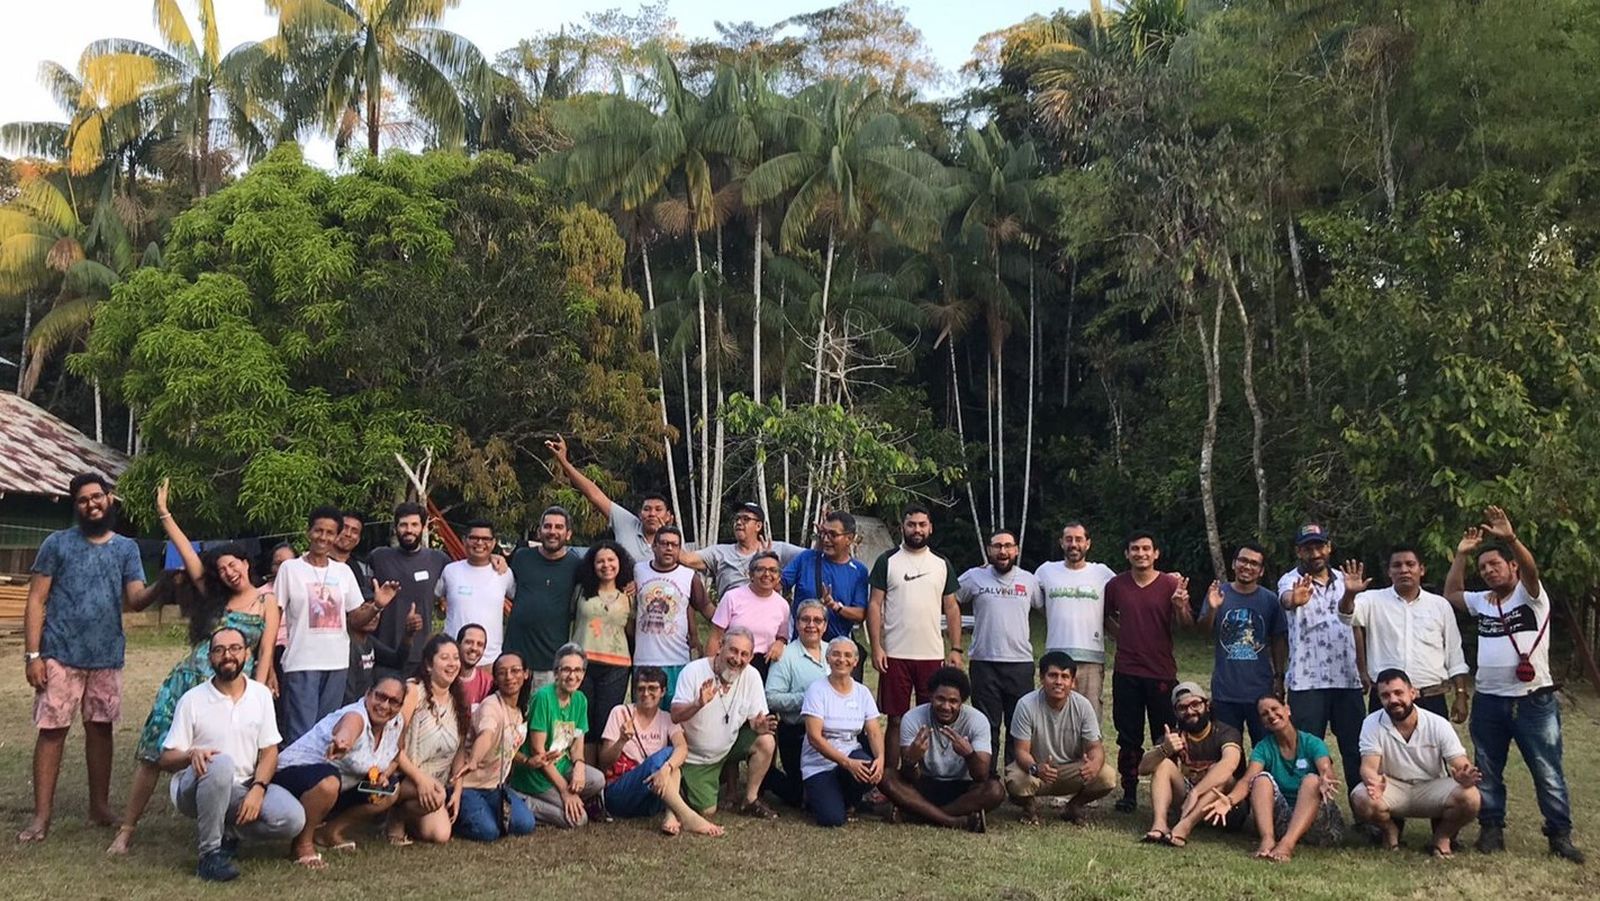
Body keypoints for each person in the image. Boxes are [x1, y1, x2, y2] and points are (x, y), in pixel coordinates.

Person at [109, 479, 281, 855]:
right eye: (222, 568)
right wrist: (164, 514)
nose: (229, 572)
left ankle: (226, 832)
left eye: (233, 564)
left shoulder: (267, 602)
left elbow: (266, 650)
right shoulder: (213, 596)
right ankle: (126, 830)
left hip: (234, 688)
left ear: (246, 563)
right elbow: (188, 553)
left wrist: (260, 688)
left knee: (229, 758)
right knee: (153, 753)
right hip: (188, 681)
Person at [1444, 507, 1583, 862]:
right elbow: (1453, 593)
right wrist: (1461, 555)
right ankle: (1491, 829)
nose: (1489, 571)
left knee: (1547, 770)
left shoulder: (1531, 595)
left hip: (1533, 700)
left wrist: (1511, 539)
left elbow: (1532, 570)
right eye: (1483, 568)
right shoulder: (1483, 601)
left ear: (1513, 567)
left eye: (1495, 564)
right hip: (1489, 700)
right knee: (1488, 769)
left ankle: (1559, 835)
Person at [21, 471, 152, 844]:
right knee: (52, 731)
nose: (91, 504)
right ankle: (41, 817)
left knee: (100, 730)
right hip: (59, 654)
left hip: (107, 656)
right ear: (75, 506)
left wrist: (165, 585)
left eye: (97, 496)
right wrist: (33, 655)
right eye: (83, 500)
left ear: (109, 498)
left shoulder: (126, 549)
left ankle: (99, 807)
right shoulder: (57, 544)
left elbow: (136, 599)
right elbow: (36, 600)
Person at [158, 627, 305, 881]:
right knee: (220, 763)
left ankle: (229, 833)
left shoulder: (260, 695)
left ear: (247, 653)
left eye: (235, 648)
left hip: (243, 786)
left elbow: (269, 751)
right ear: (210, 658)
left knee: (293, 819)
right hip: (196, 787)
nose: (227, 655)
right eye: (219, 650)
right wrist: (191, 755)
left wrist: (258, 789)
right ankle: (209, 856)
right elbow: (165, 758)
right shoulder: (192, 700)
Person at [274, 505, 399, 746]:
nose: (323, 537)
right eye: (318, 530)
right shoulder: (290, 569)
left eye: (330, 532)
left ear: (336, 536)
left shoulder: (343, 572)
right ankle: (296, 771)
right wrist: (268, 663)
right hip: (301, 662)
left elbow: (355, 619)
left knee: (327, 733)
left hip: (337, 663)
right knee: (301, 735)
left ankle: (322, 771)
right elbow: (274, 615)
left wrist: (377, 605)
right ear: (308, 532)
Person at [273, 675, 407, 869]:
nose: (385, 706)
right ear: (368, 694)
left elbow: (396, 754)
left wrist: (384, 775)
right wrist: (343, 743)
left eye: (394, 701)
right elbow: (347, 730)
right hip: (290, 777)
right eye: (380, 697)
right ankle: (302, 845)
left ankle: (329, 832)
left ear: (400, 706)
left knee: (389, 790)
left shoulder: (397, 723)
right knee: (329, 782)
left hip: (340, 785)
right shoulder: (355, 716)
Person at [868, 504, 963, 771]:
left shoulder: (941, 564)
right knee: (896, 719)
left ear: (930, 528)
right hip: (895, 654)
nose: (917, 529)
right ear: (903, 528)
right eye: (911, 524)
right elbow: (874, 604)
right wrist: (876, 647)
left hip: (931, 655)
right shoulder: (887, 561)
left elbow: (952, 607)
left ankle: (925, 776)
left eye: (922, 524)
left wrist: (956, 648)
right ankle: (890, 776)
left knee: (929, 719)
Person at [1104, 529, 1192, 812]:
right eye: (1135, 549)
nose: (1140, 553)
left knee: (1165, 734)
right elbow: (1106, 616)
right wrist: (1123, 635)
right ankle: (1129, 791)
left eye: (1146, 549)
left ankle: (1168, 791)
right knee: (1128, 736)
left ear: (1156, 553)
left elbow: (1187, 625)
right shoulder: (1116, 585)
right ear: (1127, 554)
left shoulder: (1170, 584)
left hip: (1161, 672)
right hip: (1127, 671)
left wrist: (1180, 607)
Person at [1350, 669, 1481, 856]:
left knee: (1471, 797)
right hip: (1393, 786)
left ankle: (1442, 838)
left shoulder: (1438, 723)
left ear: (1413, 693)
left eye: (1398, 693)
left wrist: (1464, 775)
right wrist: (1374, 782)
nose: (1393, 700)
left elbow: (1460, 763)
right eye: (1385, 696)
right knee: (1361, 798)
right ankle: (1390, 831)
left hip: (1431, 786)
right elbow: (1368, 768)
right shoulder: (1372, 723)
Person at [1276, 522, 1364, 798]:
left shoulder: (1346, 580)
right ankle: (1306, 810)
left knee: (1355, 748)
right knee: (1306, 750)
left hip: (1346, 679)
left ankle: (1363, 810)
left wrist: (1362, 670)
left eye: (1319, 546)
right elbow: (1286, 599)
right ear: (1298, 551)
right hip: (1307, 681)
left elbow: (1356, 627)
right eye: (1308, 548)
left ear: (1329, 547)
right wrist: (1295, 599)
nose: (1315, 553)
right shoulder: (1289, 580)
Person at [1202, 695, 1344, 862]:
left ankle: (1287, 845)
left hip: (1318, 823)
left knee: (1312, 780)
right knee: (1260, 779)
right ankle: (1267, 840)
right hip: (1281, 821)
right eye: (1264, 714)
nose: (1271, 715)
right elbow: (1247, 780)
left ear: (1287, 710)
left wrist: (1325, 780)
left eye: (1275, 709)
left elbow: (1326, 771)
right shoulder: (1263, 748)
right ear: (1263, 722)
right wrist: (1229, 800)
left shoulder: (1312, 742)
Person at [1339, 547, 1469, 721]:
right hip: (1387, 699)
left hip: (1431, 697)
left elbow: (1454, 654)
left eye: (1410, 564)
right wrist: (1349, 594)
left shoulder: (1440, 605)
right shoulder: (1372, 600)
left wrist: (1461, 694)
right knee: (1383, 740)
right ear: (1389, 572)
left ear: (1421, 570)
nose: (1404, 570)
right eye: (1397, 565)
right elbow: (1346, 615)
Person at [598, 666, 725, 837]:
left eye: (652, 688)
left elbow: (682, 748)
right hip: (620, 795)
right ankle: (687, 816)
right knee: (668, 754)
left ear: (663, 691)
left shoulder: (667, 718)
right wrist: (621, 740)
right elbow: (604, 761)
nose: (646, 693)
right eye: (641, 688)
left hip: (651, 795)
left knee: (673, 764)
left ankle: (670, 814)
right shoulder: (620, 713)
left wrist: (666, 769)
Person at [956, 529, 1042, 774]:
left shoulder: (1029, 580)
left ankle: (1015, 778)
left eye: (1007, 546)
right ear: (989, 550)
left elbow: (1044, 607)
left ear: (1016, 550)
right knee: (987, 725)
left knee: (1018, 726)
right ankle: (987, 777)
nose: (1002, 551)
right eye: (997, 546)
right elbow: (950, 599)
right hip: (984, 662)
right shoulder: (974, 577)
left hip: (1020, 663)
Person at [671, 627, 779, 819]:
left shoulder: (752, 676)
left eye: (744, 654)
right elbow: (675, 715)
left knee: (766, 741)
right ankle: (682, 781)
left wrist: (758, 726)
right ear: (720, 646)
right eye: (733, 651)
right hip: (696, 757)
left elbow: (755, 719)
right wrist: (697, 704)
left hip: (727, 748)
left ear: (751, 657)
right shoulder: (694, 671)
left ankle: (750, 800)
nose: (737, 659)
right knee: (707, 811)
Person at [879, 666, 1004, 832]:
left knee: (995, 790)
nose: (946, 706)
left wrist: (969, 754)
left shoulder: (977, 720)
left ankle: (916, 815)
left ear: (962, 702)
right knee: (886, 777)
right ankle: (952, 821)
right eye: (940, 699)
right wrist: (912, 760)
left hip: (963, 787)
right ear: (930, 696)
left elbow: (981, 775)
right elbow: (910, 777)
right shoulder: (913, 717)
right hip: (924, 784)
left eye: (953, 701)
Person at [1005, 651, 1117, 823]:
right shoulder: (1026, 705)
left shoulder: (1083, 706)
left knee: (1106, 776)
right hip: (1037, 770)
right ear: (1041, 678)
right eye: (1053, 675)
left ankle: (1074, 806)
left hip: (1072, 770)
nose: (1059, 682)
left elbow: (1095, 747)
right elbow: (1021, 751)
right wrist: (1036, 768)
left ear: (1073, 682)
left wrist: (1095, 763)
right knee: (1016, 780)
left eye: (1065, 677)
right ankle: (1029, 806)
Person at [1196, 543, 1286, 743]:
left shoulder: (1270, 600)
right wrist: (1212, 609)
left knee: (1265, 748)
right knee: (1227, 747)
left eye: (1254, 563)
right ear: (1233, 564)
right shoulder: (1218, 593)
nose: (1247, 566)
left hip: (1261, 692)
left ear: (1261, 571)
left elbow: (1278, 639)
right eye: (1243, 561)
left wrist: (1279, 677)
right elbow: (1202, 631)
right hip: (1225, 691)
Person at [1137, 682, 1244, 847]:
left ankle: (1185, 827)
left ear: (1207, 705)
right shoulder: (1173, 735)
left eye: (1195, 704)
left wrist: (1196, 792)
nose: (1190, 711)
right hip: (1186, 804)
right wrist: (1164, 750)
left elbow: (1230, 764)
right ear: (1175, 712)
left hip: (1224, 808)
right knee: (1163, 764)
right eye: (1182, 708)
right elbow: (1143, 769)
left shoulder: (1226, 732)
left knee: (1222, 775)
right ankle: (1160, 824)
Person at [510, 644, 606, 827]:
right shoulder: (543, 698)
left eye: (578, 670)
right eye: (566, 670)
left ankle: (565, 800)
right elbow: (538, 751)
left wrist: (579, 766)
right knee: (578, 820)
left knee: (597, 779)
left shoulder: (580, 700)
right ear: (556, 673)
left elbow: (577, 745)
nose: (572, 676)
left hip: (562, 766)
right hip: (537, 774)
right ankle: (521, 800)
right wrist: (564, 790)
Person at [547, 433, 676, 562]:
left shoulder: (675, 543)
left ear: (669, 517)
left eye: (658, 509)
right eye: (647, 509)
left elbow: (684, 565)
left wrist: (666, 536)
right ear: (640, 514)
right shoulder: (627, 524)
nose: (652, 514)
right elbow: (594, 495)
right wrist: (564, 462)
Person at [390, 635, 470, 844]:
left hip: (437, 783)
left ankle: (405, 813)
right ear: (428, 665)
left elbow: (460, 751)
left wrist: (458, 790)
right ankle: (394, 816)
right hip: (404, 774)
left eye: (456, 658)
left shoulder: (459, 700)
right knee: (436, 795)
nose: (452, 663)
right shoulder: (413, 691)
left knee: (440, 835)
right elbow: (393, 743)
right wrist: (420, 779)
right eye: (444, 658)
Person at [1034, 522, 1117, 718]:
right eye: (1069, 539)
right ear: (1061, 543)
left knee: (1089, 716)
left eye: (1079, 539)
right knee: (1054, 716)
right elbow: (1027, 591)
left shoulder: (1102, 573)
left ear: (1088, 543)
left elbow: (1129, 586)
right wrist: (988, 570)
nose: (1073, 544)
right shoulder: (1045, 571)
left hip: (1091, 660)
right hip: (1056, 657)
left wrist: (1165, 578)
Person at [800, 637, 885, 827]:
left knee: (869, 768)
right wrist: (848, 763)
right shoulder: (817, 690)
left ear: (855, 661)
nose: (842, 660)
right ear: (827, 659)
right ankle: (816, 795)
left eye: (848, 655)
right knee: (831, 819)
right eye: (836, 654)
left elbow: (874, 731)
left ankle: (849, 800)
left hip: (850, 753)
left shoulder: (862, 692)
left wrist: (880, 759)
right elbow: (814, 738)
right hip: (819, 763)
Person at [454, 652, 536, 841]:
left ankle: (486, 814)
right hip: (469, 785)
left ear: (526, 674)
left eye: (515, 671)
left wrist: (528, 761)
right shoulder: (491, 706)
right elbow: (487, 734)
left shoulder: (521, 709)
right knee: (487, 832)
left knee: (525, 824)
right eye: (502, 672)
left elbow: (506, 747)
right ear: (495, 679)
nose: (509, 677)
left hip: (495, 787)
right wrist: (474, 760)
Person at [572, 540, 636, 764]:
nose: (606, 565)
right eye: (600, 561)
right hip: (582, 665)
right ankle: (585, 773)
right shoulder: (580, 591)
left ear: (620, 563)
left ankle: (603, 776)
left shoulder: (629, 595)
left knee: (606, 724)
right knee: (584, 724)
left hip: (616, 666)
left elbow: (631, 631)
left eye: (611, 560)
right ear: (592, 565)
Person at [368, 503, 450, 675]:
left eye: (414, 524)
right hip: (383, 652)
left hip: (421, 653)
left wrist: (495, 558)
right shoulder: (378, 557)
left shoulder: (438, 560)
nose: (409, 530)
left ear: (423, 527)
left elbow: (465, 571)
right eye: (403, 525)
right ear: (396, 527)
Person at [507, 507, 585, 686]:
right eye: (548, 526)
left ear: (568, 534)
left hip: (550, 662)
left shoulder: (576, 566)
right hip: (514, 657)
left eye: (559, 527)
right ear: (539, 531)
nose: (552, 531)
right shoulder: (521, 557)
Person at [764, 600, 831, 807]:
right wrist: (810, 699)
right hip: (797, 733)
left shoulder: (834, 652)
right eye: (805, 620)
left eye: (817, 620)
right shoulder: (785, 656)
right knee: (800, 798)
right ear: (797, 623)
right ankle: (766, 776)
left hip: (832, 731)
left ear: (825, 625)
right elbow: (771, 697)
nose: (811, 625)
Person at [635, 526, 711, 699]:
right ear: (654, 546)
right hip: (644, 660)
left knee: (675, 711)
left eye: (674, 545)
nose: (669, 548)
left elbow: (705, 607)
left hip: (677, 660)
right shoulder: (637, 571)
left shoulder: (689, 576)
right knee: (643, 712)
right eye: (664, 543)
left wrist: (727, 624)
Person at [437, 520, 516, 678]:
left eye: (486, 539)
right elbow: (436, 598)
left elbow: (520, 599)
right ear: (464, 540)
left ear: (493, 543)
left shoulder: (503, 573)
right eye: (474, 538)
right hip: (453, 659)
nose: (479, 543)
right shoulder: (450, 571)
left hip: (490, 661)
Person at [783, 510, 871, 649]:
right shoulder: (806, 559)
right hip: (801, 648)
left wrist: (836, 607)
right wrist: (765, 562)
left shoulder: (859, 571)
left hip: (837, 651)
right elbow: (779, 585)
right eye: (823, 533)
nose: (825, 539)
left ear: (849, 538)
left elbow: (860, 614)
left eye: (833, 535)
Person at [679, 502, 805, 595]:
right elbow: (686, 559)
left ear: (758, 526)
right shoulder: (719, 553)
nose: (739, 522)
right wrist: (667, 533)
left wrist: (784, 581)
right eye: (737, 519)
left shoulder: (778, 549)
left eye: (746, 519)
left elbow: (810, 558)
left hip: (766, 620)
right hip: (731, 620)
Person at [708, 551, 792, 679]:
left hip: (764, 665)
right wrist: (710, 671)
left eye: (773, 570)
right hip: (732, 660)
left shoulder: (782, 605)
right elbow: (715, 636)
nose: (767, 574)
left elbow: (782, 637)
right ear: (751, 574)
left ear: (779, 577)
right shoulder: (732, 597)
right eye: (761, 569)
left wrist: (780, 643)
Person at [344, 596, 417, 704]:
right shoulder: (347, 646)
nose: (374, 616)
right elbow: (347, 695)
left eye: (377, 610)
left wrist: (408, 634)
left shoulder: (369, 641)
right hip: (352, 709)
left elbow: (397, 661)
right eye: (365, 609)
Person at [331, 511, 375, 602]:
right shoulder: (315, 561)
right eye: (344, 528)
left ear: (358, 539)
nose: (348, 534)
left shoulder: (363, 570)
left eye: (354, 531)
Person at [456, 624, 494, 706]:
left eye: (480, 644)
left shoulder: (488, 683)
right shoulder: (446, 678)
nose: (474, 648)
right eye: (469, 642)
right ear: (458, 645)